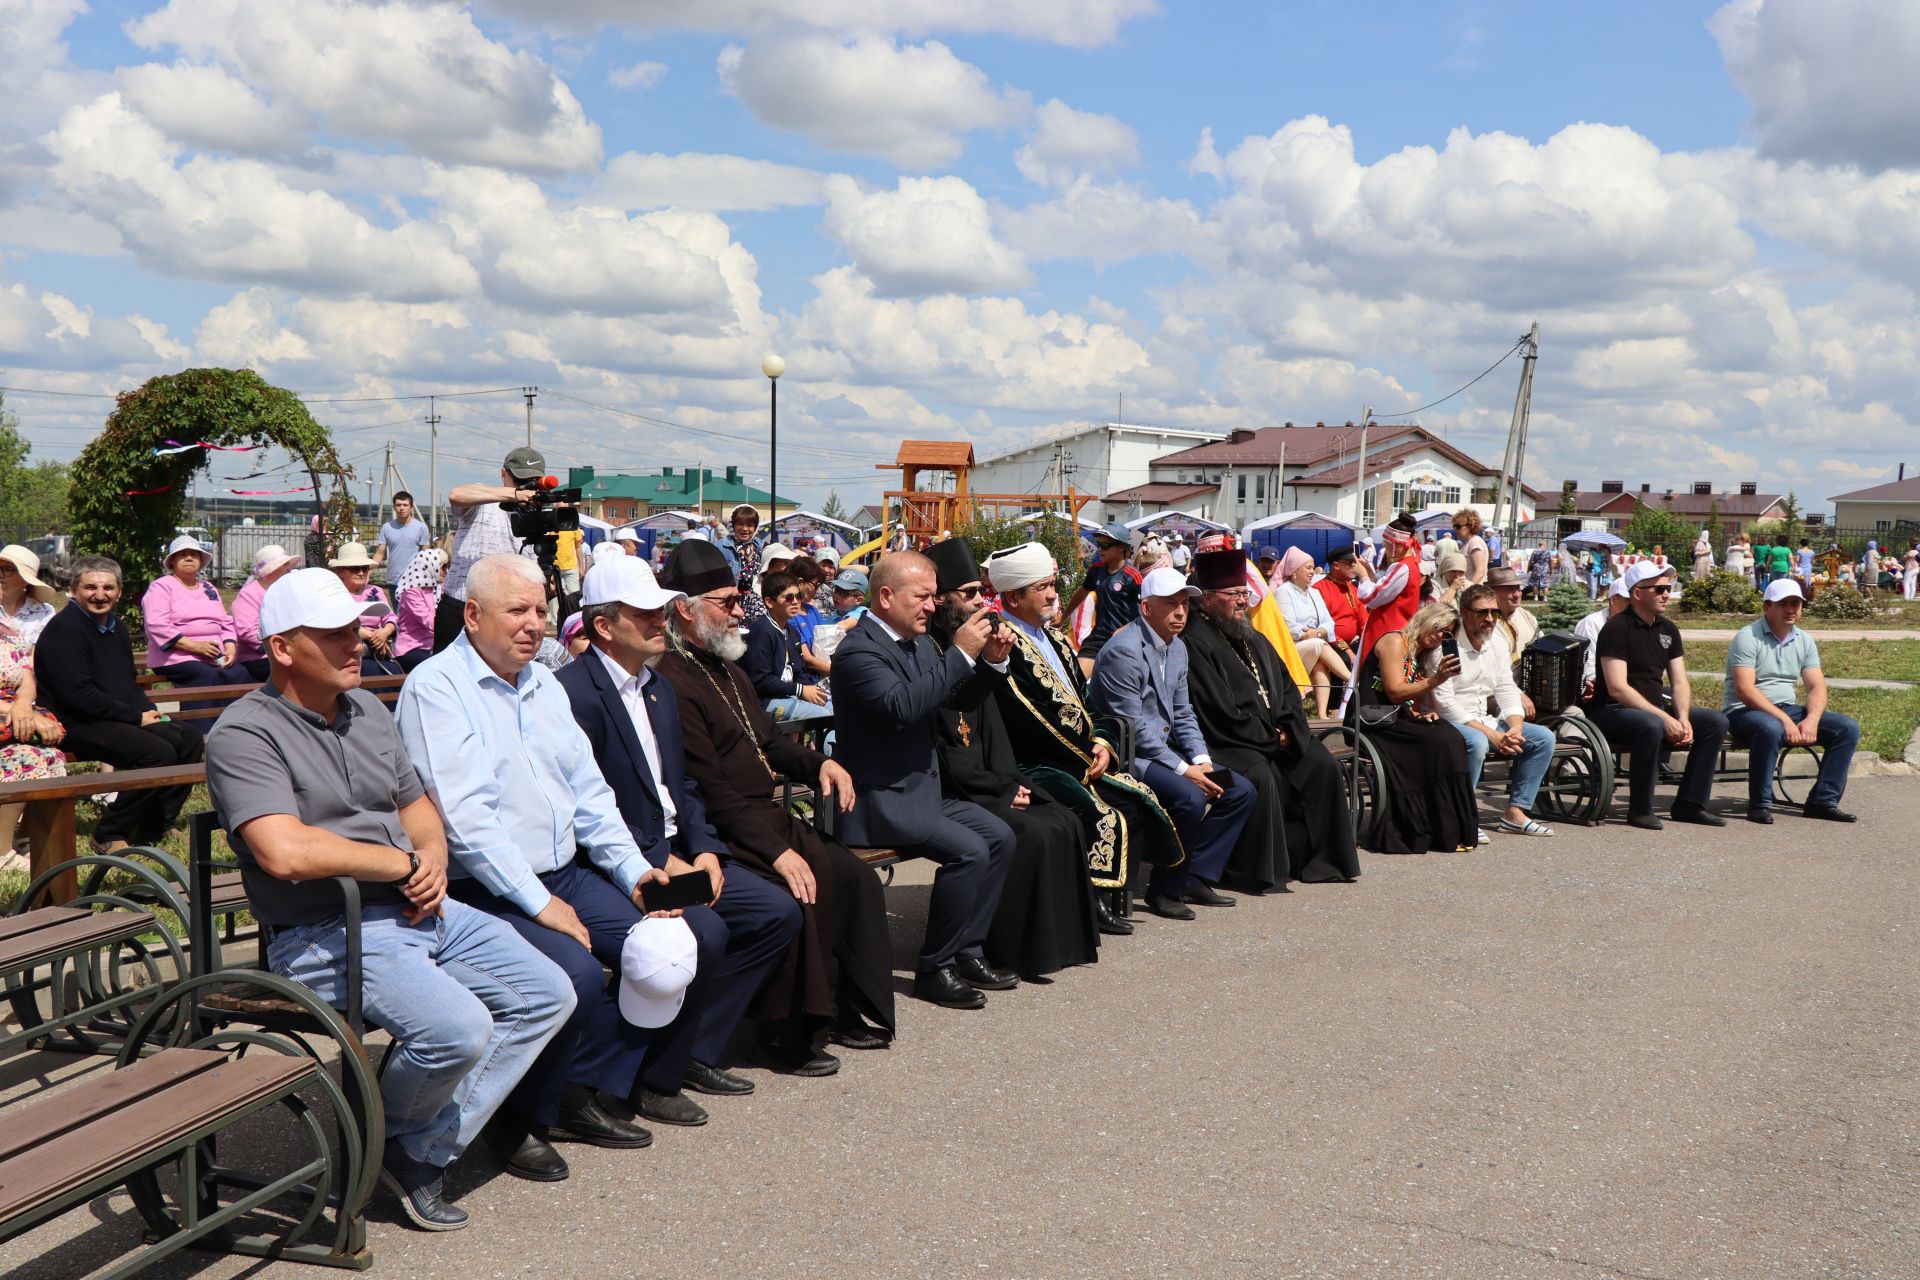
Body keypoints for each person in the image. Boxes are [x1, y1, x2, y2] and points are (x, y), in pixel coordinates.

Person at [204, 566, 575, 1231]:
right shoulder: (243, 732)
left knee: (549, 993)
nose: (358, 642)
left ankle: (406, 1145)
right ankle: (389, 1145)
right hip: (326, 927)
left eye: (357, 627)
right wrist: (401, 862)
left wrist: (430, 857)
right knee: (458, 1029)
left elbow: (417, 806)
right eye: (336, 633)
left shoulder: (367, 708)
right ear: (283, 647)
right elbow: (284, 851)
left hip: (411, 909)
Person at [397, 553, 724, 1168]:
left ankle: (590, 1083)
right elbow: (465, 823)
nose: (534, 625)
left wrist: (635, 873)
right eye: (516, 611)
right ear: (472, 615)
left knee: (691, 929)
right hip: (484, 888)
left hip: (567, 872)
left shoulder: (544, 685)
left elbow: (592, 797)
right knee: (572, 971)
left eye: (542, 611)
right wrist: (542, 904)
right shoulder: (436, 688)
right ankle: (519, 1117)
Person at [557, 555, 813, 1083]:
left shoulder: (656, 686)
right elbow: (589, 808)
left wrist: (705, 851)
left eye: (659, 609)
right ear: (603, 627)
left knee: (777, 913)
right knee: (706, 931)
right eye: (644, 613)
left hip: (677, 847)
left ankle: (689, 1049)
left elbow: (684, 786)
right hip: (622, 860)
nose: (660, 621)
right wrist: (665, 858)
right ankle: (643, 1073)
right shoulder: (574, 695)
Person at [657, 540, 895, 1056]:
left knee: (855, 879)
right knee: (806, 889)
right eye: (728, 602)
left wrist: (821, 762)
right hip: (729, 826)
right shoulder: (671, 681)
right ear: (686, 609)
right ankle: (788, 1030)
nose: (742, 611)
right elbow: (710, 789)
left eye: (740, 599)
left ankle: (843, 1009)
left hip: (765, 814)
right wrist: (777, 851)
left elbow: (767, 740)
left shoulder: (728, 667)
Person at [829, 551, 1021, 1010]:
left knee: (1000, 836)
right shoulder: (858, 651)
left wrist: (990, 663)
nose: (931, 607)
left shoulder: (914, 643)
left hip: (918, 791)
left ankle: (967, 950)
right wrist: (960, 653)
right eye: (922, 597)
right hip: (878, 800)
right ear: (887, 596)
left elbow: (950, 699)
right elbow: (903, 705)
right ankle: (936, 968)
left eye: (935, 597)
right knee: (970, 850)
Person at [923, 537, 1104, 966]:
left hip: (989, 777)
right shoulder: (934, 651)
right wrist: (998, 789)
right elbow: (944, 740)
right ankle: (1008, 950)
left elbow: (992, 731)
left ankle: (1055, 946)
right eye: (968, 594)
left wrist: (1011, 782)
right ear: (943, 600)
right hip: (956, 786)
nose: (978, 602)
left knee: (1062, 820)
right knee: (1035, 830)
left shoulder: (968, 644)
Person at [981, 541, 1182, 912]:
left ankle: (1103, 896)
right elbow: (1028, 718)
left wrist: (1104, 743)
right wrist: (1084, 753)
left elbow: (1089, 704)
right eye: (1042, 588)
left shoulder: (1056, 640)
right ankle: (1087, 902)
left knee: (1140, 799)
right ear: (1011, 597)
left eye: (1052, 586)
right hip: (1037, 761)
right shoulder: (1002, 643)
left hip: (1078, 756)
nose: (1053, 596)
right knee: (1106, 812)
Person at [1182, 547, 1359, 890]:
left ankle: (1321, 861)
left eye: (1244, 593)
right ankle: (1255, 871)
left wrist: (1290, 730)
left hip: (1275, 736)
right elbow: (1217, 709)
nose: (1243, 602)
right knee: (1261, 775)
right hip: (1227, 741)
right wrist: (1269, 737)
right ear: (1207, 600)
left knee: (1320, 764)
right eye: (1233, 594)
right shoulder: (1195, 643)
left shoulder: (1255, 638)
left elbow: (1288, 690)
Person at [1088, 567, 1257, 920]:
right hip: (1126, 753)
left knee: (1240, 791)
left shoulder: (1176, 648)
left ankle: (1195, 875)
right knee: (1190, 796)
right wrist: (1186, 770)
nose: (1181, 612)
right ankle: (1164, 889)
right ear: (1147, 608)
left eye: (1184, 604)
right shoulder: (1125, 650)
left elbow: (1183, 712)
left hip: (1164, 750)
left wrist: (1201, 759)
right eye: (1171, 604)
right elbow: (1133, 727)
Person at [33, 556, 203, 852]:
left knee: (187, 738)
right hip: (74, 722)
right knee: (156, 753)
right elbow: (77, 695)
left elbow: (127, 682)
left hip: (111, 716)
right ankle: (109, 833)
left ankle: (156, 823)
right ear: (74, 589)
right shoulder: (65, 629)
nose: (100, 594)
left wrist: (149, 712)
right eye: (90, 587)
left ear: (119, 591)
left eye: (108, 587)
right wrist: (135, 718)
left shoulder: (115, 626)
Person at [1587, 561, 1729, 830]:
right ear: (1637, 593)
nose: (1666, 594)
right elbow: (1617, 688)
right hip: (1612, 711)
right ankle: (1640, 809)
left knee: (1714, 722)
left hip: (1651, 709)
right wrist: (1664, 717)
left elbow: (1679, 681)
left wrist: (1683, 717)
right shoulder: (1617, 629)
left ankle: (1690, 804)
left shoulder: (1668, 629)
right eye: (1659, 589)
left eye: (1669, 588)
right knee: (1651, 724)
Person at [1345, 599, 1480, 854]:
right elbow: (1395, 692)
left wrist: (1419, 714)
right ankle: (1422, 829)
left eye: (1447, 633)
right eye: (1440, 628)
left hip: (1395, 719)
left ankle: (1448, 829)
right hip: (1371, 722)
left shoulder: (1418, 652)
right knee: (1439, 741)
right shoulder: (1395, 641)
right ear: (1427, 619)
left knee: (1449, 735)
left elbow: (1407, 700)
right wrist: (1437, 679)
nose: (1441, 637)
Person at [1722, 579, 1860, 824]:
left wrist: (1811, 720)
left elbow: (1817, 686)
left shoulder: (1804, 640)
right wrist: (1784, 720)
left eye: (1796, 603)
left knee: (1846, 728)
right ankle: (1760, 804)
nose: (1791, 609)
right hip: (1744, 711)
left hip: (1786, 709)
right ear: (1767, 607)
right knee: (1770, 727)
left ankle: (1823, 801)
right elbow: (1744, 690)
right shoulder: (1747, 637)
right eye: (1783, 603)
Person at [1424, 585, 1557, 838]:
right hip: (1444, 723)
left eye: (1494, 613)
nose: (1489, 619)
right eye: (1482, 612)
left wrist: (1515, 727)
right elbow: (1445, 704)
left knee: (1542, 738)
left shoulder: (1497, 642)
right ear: (1464, 612)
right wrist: (1492, 735)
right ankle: (1463, 816)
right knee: (1476, 742)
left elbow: (1506, 687)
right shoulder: (1446, 647)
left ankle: (1515, 813)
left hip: (1483, 720)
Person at [437, 446, 545, 653]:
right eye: (520, 480)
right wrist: (513, 495)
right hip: (461, 604)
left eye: (532, 481)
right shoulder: (484, 500)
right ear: (504, 474)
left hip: (509, 612)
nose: (526, 486)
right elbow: (456, 495)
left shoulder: (537, 512)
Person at [143, 534, 237, 703]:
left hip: (214, 655)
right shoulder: (161, 587)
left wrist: (230, 647)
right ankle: (201, 727)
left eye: (194, 554)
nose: (189, 558)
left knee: (239, 673)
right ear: (172, 561)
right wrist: (195, 647)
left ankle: (231, 725)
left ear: (200, 560)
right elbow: (157, 624)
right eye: (182, 554)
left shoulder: (209, 588)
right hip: (176, 657)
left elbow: (225, 622)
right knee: (206, 675)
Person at [743, 571, 832, 724]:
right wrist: (801, 690)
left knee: (834, 708)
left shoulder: (793, 632)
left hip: (787, 694)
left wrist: (814, 689)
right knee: (824, 715)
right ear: (769, 602)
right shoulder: (760, 632)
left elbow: (798, 673)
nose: (796, 602)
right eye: (789, 597)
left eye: (798, 596)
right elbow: (760, 681)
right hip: (765, 702)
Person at [1273, 547, 1350, 718]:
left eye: (1312, 567)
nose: (1311, 572)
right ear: (1293, 572)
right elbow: (1289, 627)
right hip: (1290, 649)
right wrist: (1316, 634)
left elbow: (1329, 622)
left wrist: (1318, 632)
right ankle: (1352, 681)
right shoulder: (1282, 592)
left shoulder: (1314, 593)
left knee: (1320, 663)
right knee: (1318, 645)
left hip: (1313, 642)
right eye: (1307, 567)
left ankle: (1322, 714)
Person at [1063, 522, 1142, 677]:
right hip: (1098, 638)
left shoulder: (1133, 576)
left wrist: (1124, 629)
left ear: (1121, 547)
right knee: (1076, 681)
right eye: (1098, 544)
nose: (1099, 549)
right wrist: (1062, 617)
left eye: (1105, 545)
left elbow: (1146, 613)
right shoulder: (1096, 570)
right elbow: (1081, 592)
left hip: (1125, 641)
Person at [1355, 513, 1423, 668]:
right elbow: (1384, 589)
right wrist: (1369, 572)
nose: (1384, 548)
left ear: (1397, 544)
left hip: (1387, 631)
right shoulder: (1410, 564)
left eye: (1386, 544)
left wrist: (1363, 576)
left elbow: (1372, 597)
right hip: (1394, 630)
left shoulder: (1402, 566)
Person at [231, 544, 301, 679]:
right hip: (258, 656)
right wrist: (278, 646)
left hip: (289, 650)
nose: (289, 569)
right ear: (271, 570)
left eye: (288, 564)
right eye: (284, 565)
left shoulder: (288, 591)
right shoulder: (249, 594)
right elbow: (247, 630)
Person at [329, 543, 400, 676]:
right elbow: (341, 623)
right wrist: (373, 637)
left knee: (394, 671)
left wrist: (385, 632)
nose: (361, 572)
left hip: (378, 648)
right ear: (341, 571)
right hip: (350, 649)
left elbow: (390, 617)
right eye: (355, 568)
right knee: (371, 671)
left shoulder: (376, 591)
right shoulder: (336, 593)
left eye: (364, 568)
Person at [1573, 576, 1632, 693]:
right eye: (1628, 600)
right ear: (1613, 600)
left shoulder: (1636, 624)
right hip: (1601, 689)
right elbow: (1588, 666)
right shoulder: (1592, 623)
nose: (1633, 605)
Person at [394, 548, 446, 672]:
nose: (446, 571)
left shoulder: (438, 589)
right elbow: (430, 622)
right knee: (439, 668)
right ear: (430, 566)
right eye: (443, 567)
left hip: (434, 645)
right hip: (412, 648)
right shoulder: (411, 592)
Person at [0, 543, 60, 652]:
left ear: (25, 580)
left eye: (7, 570)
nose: (1, 574)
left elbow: (42, 656)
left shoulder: (44, 613)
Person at [1311, 544, 1367, 658]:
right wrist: (1347, 650)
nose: (1355, 567)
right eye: (1350, 563)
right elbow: (1325, 628)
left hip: (1353, 643)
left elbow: (1364, 622)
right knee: (1346, 659)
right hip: (1331, 645)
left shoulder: (1353, 589)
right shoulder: (1319, 589)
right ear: (1336, 566)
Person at [372, 491, 433, 593]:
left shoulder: (421, 527)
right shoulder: (387, 527)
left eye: (405, 505)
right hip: (394, 580)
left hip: (414, 580)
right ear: (394, 507)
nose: (402, 508)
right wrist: (368, 572)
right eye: (398, 505)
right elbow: (379, 553)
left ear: (411, 507)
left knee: (413, 609)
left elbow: (426, 554)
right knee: (396, 609)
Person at [717, 505, 767, 622]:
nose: (745, 529)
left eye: (750, 525)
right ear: (733, 525)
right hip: (730, 601)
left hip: (756, 602)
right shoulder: (721, 547)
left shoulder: (761, 546)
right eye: (740, 524)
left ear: (755, 528)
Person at [1452, 509, 1490, 583]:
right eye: (1454, 526)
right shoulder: (1469, 543)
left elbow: (1480, 571)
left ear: (1470, 526)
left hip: (1472, 590)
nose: (1455, 529)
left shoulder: (1475, 542)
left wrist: (1469, 590)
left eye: (1458, 526)